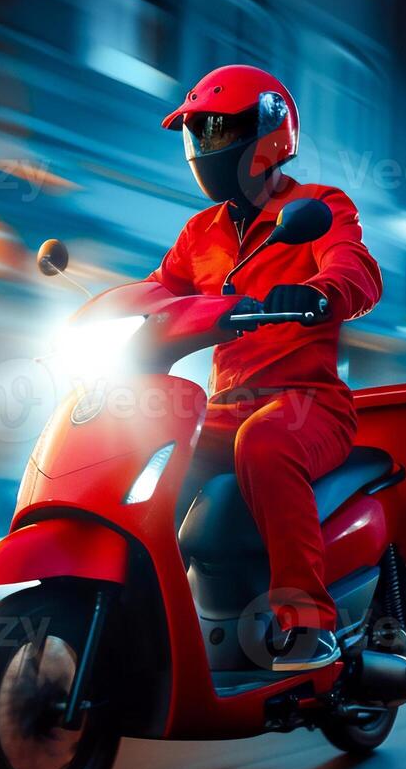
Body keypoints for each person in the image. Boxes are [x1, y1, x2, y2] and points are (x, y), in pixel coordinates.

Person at [151, 65, 382, 671]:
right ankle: (144, 612)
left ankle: (308, 621)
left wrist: (321, 292)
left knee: (265, 442)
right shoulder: (198, 234)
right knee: (148, 448)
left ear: (270, 131)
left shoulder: (317, 207)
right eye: (198, 134)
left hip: (308, 406)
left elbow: (357, 269)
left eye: (219, 130)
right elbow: (158, 294)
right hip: (225, 408)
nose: (206, 147)